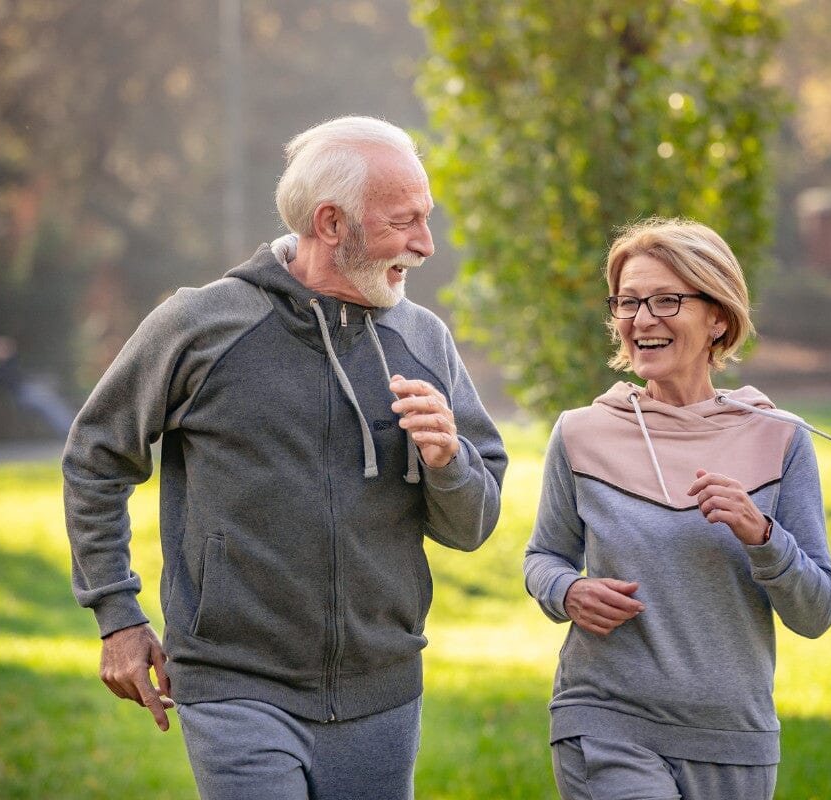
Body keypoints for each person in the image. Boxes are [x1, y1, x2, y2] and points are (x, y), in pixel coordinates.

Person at [63, 116, 507, 800]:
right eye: (404, 222)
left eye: (427, 219)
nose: (425, 245)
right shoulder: (200, 326)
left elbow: (471, 527)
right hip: (232, 680)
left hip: (383, 690)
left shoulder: (424, 340)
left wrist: (449, 460)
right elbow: (96, 455)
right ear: (330, 224)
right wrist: (117, 615)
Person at [523, 218, 831, 800]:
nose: (642, 320)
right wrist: (566, 592)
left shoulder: (781, 440)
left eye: (667, 300)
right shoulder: (581, 434)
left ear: (717, 316)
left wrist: (761, 534)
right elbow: (543, 555)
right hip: (605, 722)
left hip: (735, 740)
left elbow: (816, 612)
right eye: (628, 302)